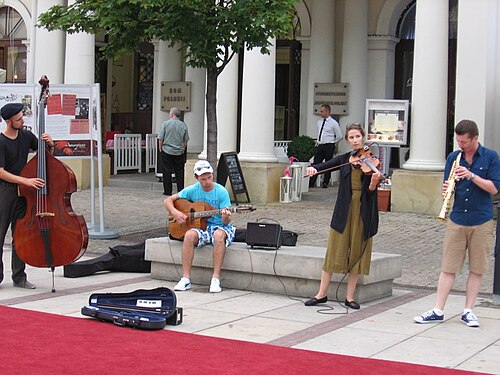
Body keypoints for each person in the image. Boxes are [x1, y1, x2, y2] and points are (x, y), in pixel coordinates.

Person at [415, 120, 500, 327]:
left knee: (477, 268)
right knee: (448, 266)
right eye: (458, 141)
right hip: (457, 218)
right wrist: (447, 189)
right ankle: (438, 309)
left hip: (481, 219)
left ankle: (468, 310)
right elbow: (448, 185)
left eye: (464, 142)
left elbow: (494, 188)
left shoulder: (491, 157)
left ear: (475, 138)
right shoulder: (454, 157)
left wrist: (471, 176)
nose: (460, 145)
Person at [304, 123, 381, 309]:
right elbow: (326, 165)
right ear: (347, 140)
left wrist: (374, 182)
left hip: (362, 210)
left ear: (363, 138)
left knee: (356, 251)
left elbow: (371, 192)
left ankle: (350, 296)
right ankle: (321, 294)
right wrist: (313, 168)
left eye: (358, 137)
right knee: (334, 249)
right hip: (344, 210)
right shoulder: (345, 159)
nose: (355, 141)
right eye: (351, 138)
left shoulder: (371, 160)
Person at [0, 102, 54, 289]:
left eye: (22, 117)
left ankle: (19, 277)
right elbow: (1, 172)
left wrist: (49, 144)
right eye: (18, 119)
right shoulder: (1, 141)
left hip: (23, 193)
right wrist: (26, 181)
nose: (22, 121)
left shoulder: (25, 135)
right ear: (8, 121)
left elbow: (44, 155)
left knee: (20, 235)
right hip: (4, 191)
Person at [164, 160, 236, 293]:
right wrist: (176, 213)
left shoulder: (221, 191)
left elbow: (226, 223)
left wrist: (226, 216)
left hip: (220, 227)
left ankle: (215, 279)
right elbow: (167, 200)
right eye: (203, 179)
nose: (207, 181)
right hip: (201, 227)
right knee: (189, 235)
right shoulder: (192, 190)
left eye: (209, 177)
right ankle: (186, 279)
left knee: (218, 235)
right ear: (197, 178)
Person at [158, 107, 189, 196]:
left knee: (166, 171)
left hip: (167, 150)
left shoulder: (165, 124)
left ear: (171, 114)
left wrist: (160, 148)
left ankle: (167, 191)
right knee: (179, 171)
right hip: (179, 151)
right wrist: (182, 149)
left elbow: (161, 138)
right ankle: (181, 190)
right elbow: (185, 140)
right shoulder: (183, 125)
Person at [309, 104, 343, 188]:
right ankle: (311, 182)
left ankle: (325, 182)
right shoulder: (319, 122)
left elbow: (339, 136)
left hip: (329, 145)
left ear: (327, 111)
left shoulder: (333, 123)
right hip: (320, 145)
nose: (321, 113)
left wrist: (332, 142)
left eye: (322, 111)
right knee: (316, 163)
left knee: (328, 163)